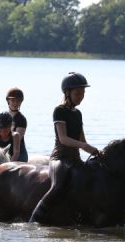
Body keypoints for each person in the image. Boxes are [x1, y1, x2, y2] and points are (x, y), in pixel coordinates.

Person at [30, 72, 100, 223]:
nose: (81, 96)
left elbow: (82, 139)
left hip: (75, 158)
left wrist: (95, 151)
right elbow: (63, 139)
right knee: (59, 185)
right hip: (59, 159)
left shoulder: (78, 113)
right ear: (67, 93)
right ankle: (35, 219)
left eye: (83, 93)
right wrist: (84, 145)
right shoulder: (59, 110)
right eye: (77, 93)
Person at [5, 87, 28, 162]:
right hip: (5, 151)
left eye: (18, 101)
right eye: (13, 100)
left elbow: (16, 140)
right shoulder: (3, 117)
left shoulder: (21, 119)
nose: (15, 103)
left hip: (19, 153)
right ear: (8, 100)